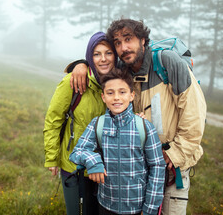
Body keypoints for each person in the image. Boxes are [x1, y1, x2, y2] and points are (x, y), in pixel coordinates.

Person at [68, 18, 207, 215]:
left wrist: (175, 154)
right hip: (138, 171)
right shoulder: (123, 72)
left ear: (143, 40)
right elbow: (100, 65)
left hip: (171, 167)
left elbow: (195, 114)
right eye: (117, 42)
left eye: (128, 39)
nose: (123, 47)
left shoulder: (168, 63)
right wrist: (81, 65)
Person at [69, 68, 166, 215]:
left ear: (132, 95)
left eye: (122, 92)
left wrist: (150, 208)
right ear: (103, 97)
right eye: (110, 93)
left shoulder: (145, 127)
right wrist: (93, 162)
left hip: (137, 207)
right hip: (106, 204)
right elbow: (77, 152)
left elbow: (157, 167)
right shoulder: (98, 124)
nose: (116, 97)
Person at [43, 31, 117, 215]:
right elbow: (54, 120)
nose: (103, 59)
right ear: (89, 56)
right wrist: (52, 157)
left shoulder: (117, 84)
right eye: (96, 54)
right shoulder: (73, 81)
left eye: (108, 53)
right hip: (75, 168)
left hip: (106, 169)